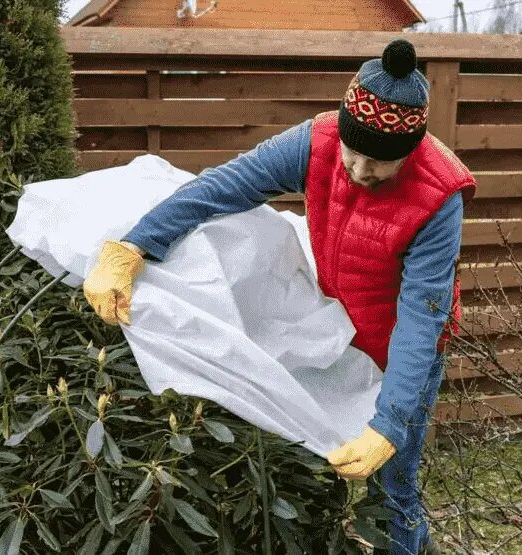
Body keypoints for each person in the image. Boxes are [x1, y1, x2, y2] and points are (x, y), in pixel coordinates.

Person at [81, 38, 475, 555]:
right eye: (353, 154)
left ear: (412, 150)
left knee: (391, 492)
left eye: (379, 163)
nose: (358, 172)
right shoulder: (318, 143)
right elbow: (225, 186)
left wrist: (391, 422)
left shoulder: (438, 197)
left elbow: (422, 317)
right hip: (340, 332)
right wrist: (137, 243)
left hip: (405, 350)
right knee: (312, 466)